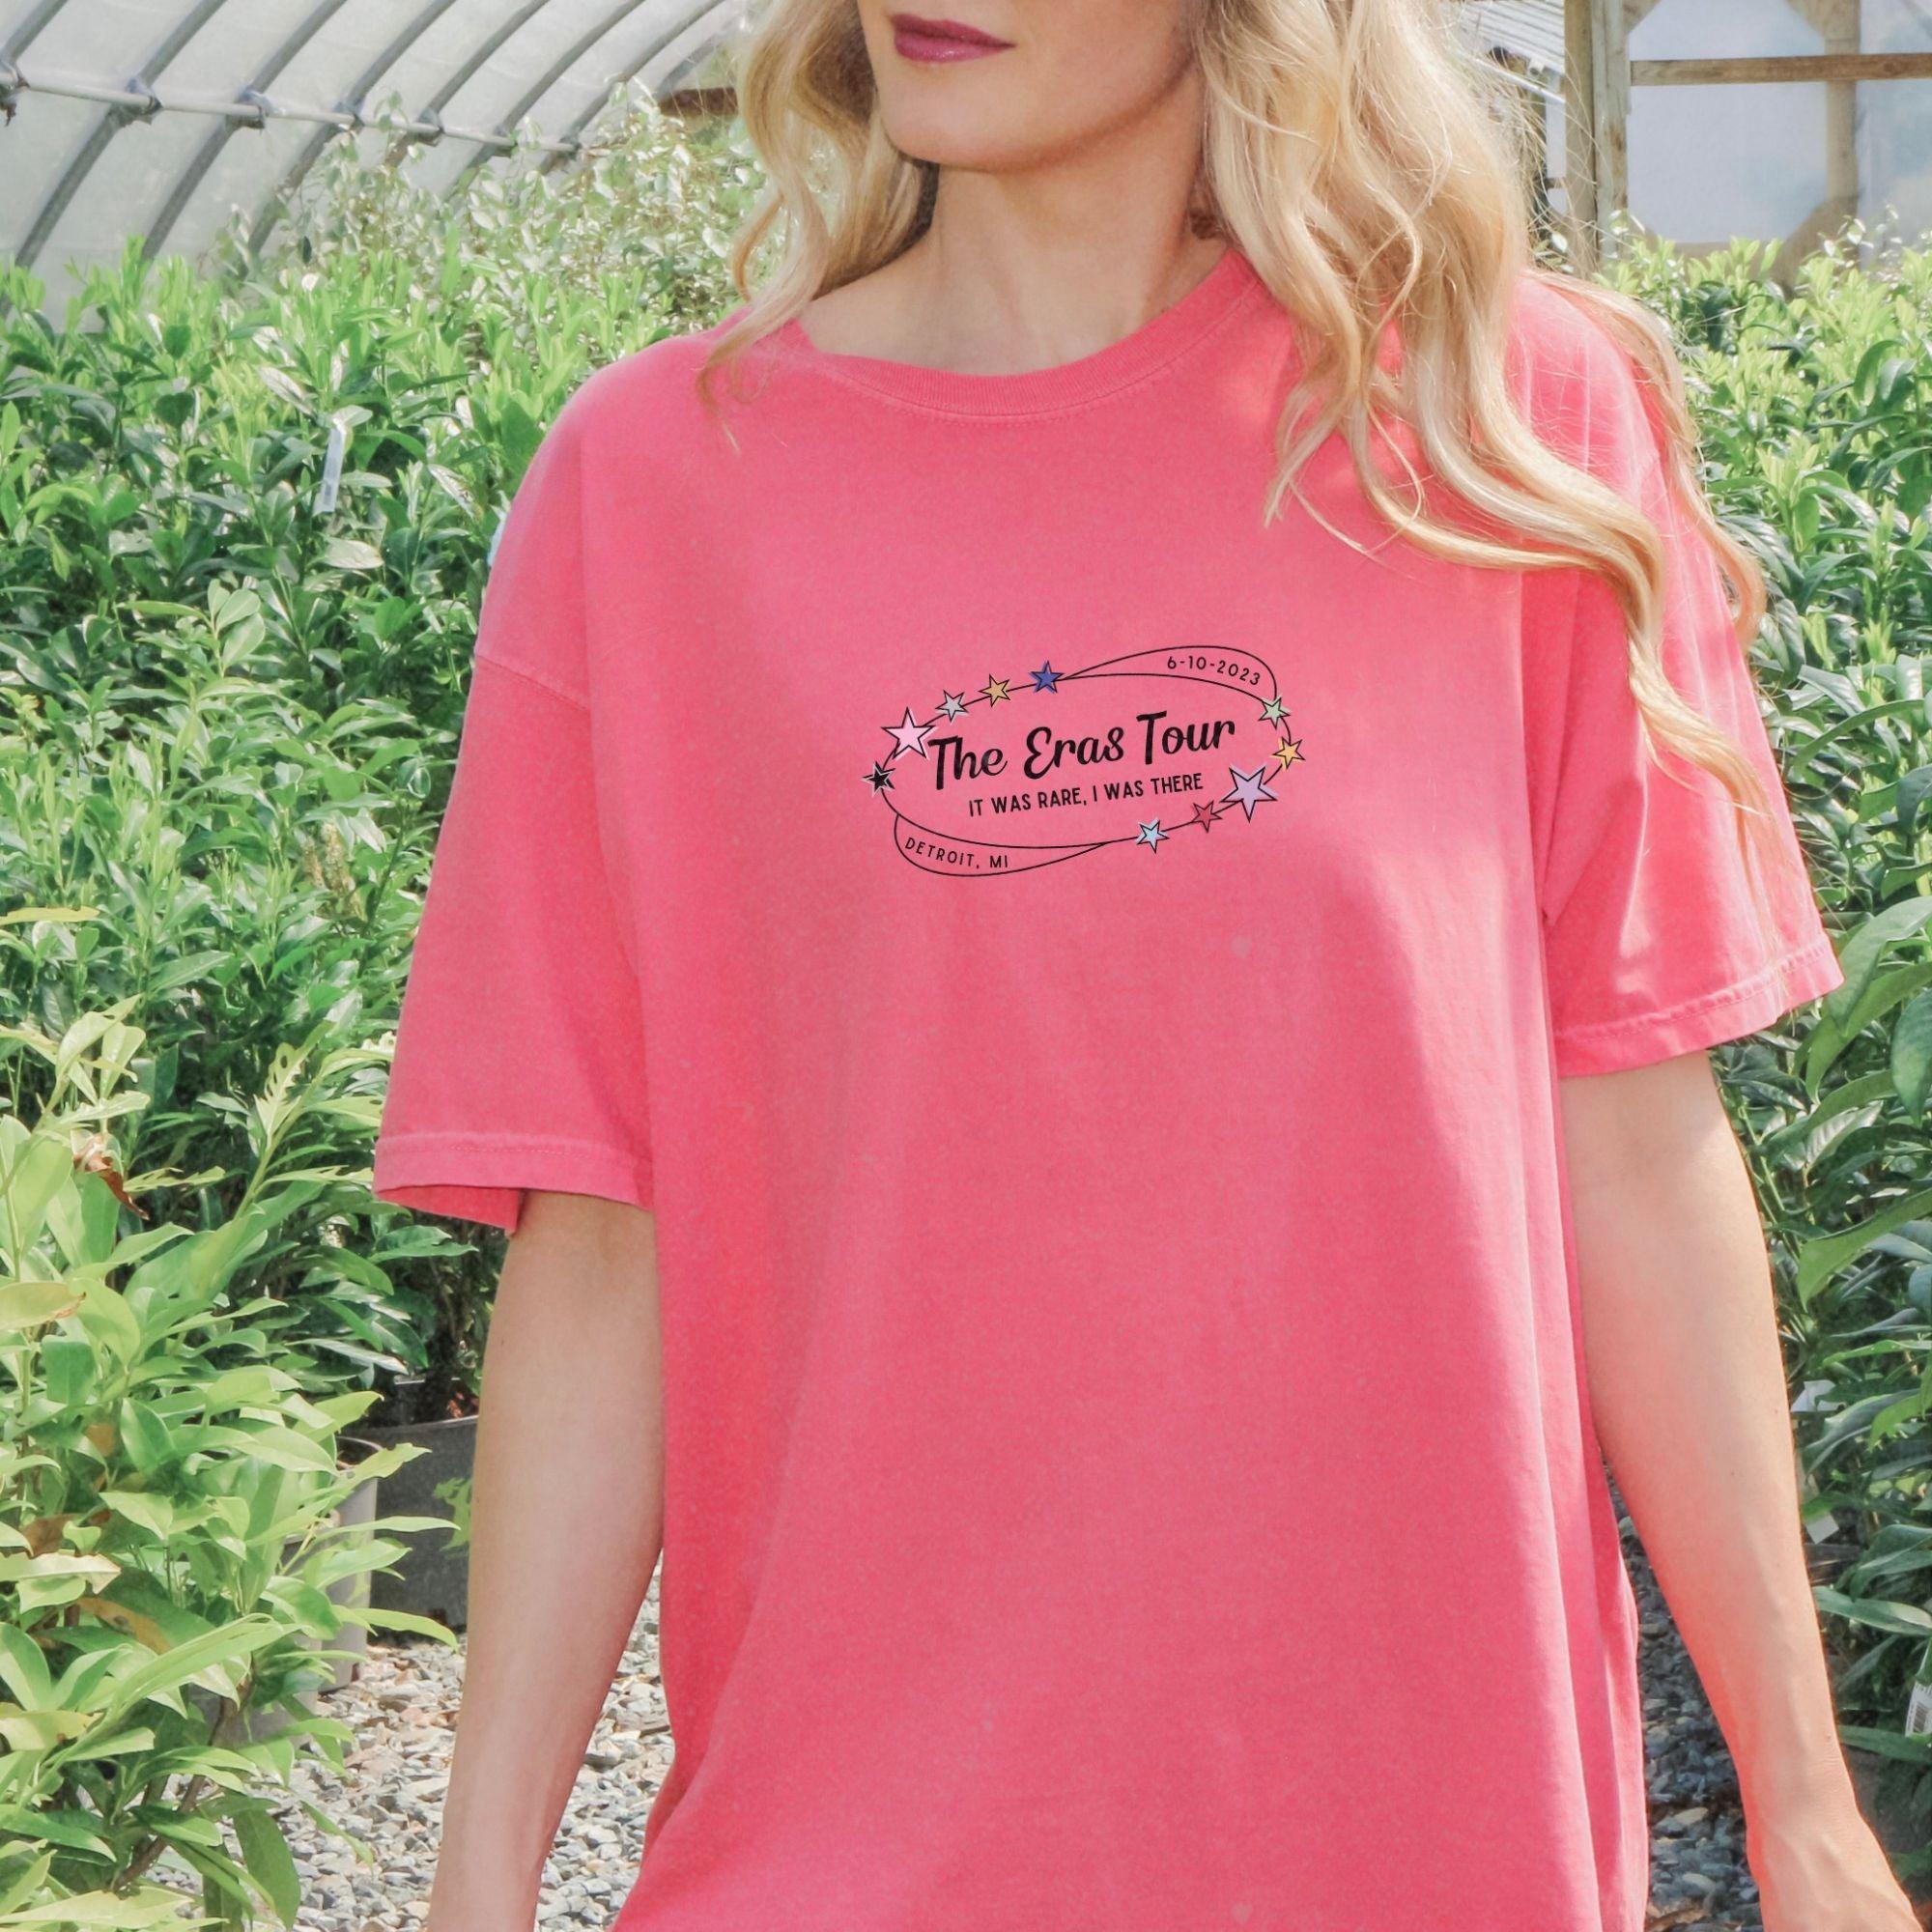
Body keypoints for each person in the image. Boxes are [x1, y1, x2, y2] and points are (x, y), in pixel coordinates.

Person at [369, 2, 1915, 1927]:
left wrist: (1804, 1807)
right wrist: (477, 1883)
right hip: (844, 1845)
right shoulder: (656, 486)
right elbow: (603, 1235)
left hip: (1420, 1829)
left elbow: (1635, 1143)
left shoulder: (1498, 428)